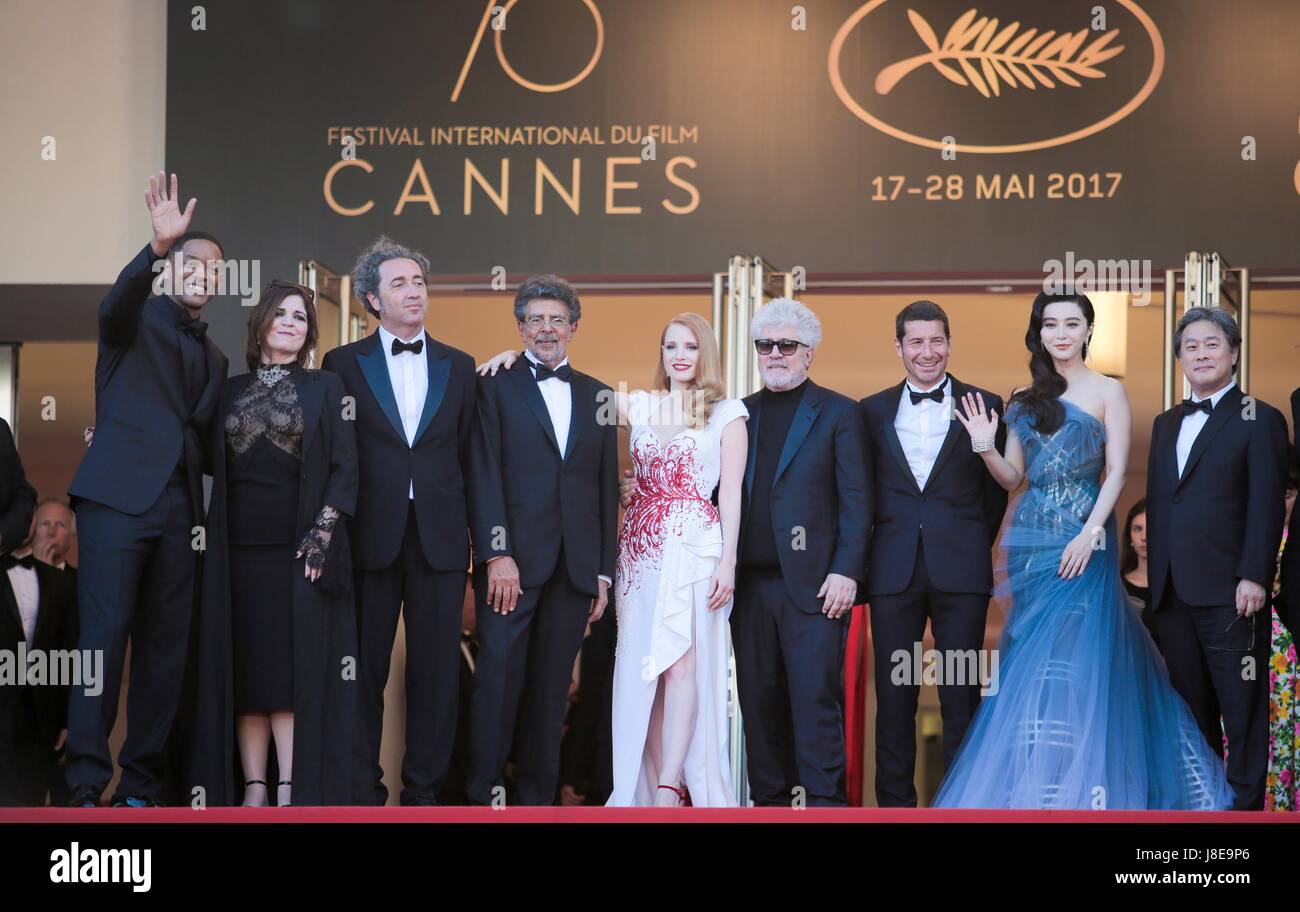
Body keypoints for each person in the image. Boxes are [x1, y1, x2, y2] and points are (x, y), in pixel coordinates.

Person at [934, 292, 1233, 809]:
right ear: (1040, 333)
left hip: (1084, 534)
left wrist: (1090, 533)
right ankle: (1040, 791)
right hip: (1031, 542)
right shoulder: (1024, 399)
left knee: (1083, 657)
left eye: (1072, 323)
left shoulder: (1108, 392)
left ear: (1089, 331)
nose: (1061, 333)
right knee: (1037, 661)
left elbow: (1116, 470)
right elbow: (1012, 478)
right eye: (1051, 324)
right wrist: (985, 443)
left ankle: (1088, 792)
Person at [65, 172, 229, 808]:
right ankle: (83, 783)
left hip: (183, 513)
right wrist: (157, 247)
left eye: (216, 268)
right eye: (194, 261)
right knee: (102, 642)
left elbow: (219, 443)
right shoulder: (133, 322)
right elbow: (114, 303)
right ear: (172, 269)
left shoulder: (215, 359)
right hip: (115, 502)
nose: (206, 273)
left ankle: (139, 787)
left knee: (166, 652)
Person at [189, 281, 361, 807]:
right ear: (261, 321)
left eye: (302, 317)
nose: (291, 322)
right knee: (246, 667)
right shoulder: (227, 387)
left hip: (300, 549)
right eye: (282, 313)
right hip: (235, 551)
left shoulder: (326, 386)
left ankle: (290, 786)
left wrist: (322, 536)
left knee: (291, 670)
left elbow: (346, 464)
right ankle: (255, 789)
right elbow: (191, 449)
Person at [321, 237, 477, 806]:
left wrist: (485, 546)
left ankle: (425, 795)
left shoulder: (461, 367)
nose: (414, 292)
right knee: (360, 669)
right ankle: (361, 791)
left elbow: (473, 461)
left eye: (419, 282)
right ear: (371, 299)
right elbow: (332, 455)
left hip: (440, 540)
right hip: (368, 538)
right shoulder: (341, 365)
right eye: (399, 284)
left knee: (436, 674)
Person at [464, 275, 618, 806]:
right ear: (521, 327)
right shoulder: (491, 384)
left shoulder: (600, 394)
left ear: (574, 328)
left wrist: (602, 573)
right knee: (497, 682)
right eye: (535, 319)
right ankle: (484, 798)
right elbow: (483, 474)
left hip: (575, 572)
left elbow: (603, 489)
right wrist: (495, 553)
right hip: (512, 565)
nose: (546, 328)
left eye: (557, 319)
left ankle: (535, 804)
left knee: (553, 694)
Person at [860, 300, 1007, 808]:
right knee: (895, 699)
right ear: (899, 346)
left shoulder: (984, 403)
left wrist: (963, 542)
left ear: (950, 343)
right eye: (916, 342)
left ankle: (963, 808)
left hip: (960, 572)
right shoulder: (870, 410)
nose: (928, 352)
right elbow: (861, 493)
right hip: (892, 571)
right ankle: (894, 812)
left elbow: (996, 495)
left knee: (960, 695)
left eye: (936, 340)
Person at [725, 298, 868, 808]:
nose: (775, 354)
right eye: (766, 345)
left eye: (788, 345)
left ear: (809, 353)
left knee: (814, 707)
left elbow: (857, 500)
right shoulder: (739, 414)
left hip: (814, 589)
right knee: (758, 709)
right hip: (749, 590)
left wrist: (847, 569)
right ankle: (768, 809)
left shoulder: (838, 412)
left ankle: (826, 810)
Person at [1146, 306, 1288, 810]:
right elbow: (1163, 505)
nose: (1201, 353)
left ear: (1233, 352)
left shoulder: (1261, 419)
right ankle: (1205, 806)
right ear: (1179, 358)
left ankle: (1246, 814)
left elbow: (1267, 505)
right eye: (1190, 346)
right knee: (1190, 706)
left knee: (1242, 705)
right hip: (1172, 591)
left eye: (1211, 344)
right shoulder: (1165, 424)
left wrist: (1254, 573)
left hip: (1233, 592)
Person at [0, 454, 72, 806]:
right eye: (45, 524)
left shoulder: (72, 584)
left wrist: (72, 719)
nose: (50, 532)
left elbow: (79, 653)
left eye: (61, 526)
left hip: (46, 716)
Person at [1266, 449, 1298, 811]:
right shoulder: (1262, 534)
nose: (1284, 502)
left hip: (1288, 646)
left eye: (1290, 495)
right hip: (1261, 644)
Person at [1120, 498, 1157, 645]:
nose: (1144, 537)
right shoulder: (1117, 585)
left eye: (1151, 529)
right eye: (1137, 529)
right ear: (1130, 536)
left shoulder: (1176, 586)